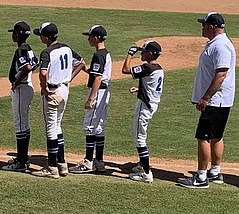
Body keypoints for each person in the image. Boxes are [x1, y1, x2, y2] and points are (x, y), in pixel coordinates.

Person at [178, 12, 237, 189]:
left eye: (204, 25)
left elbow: (221, 74)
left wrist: (205, 97)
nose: (202, 27)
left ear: (212, 27)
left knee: (203, 137)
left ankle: (201, 176)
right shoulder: (217, 43)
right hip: (220, 100)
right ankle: (215, 172)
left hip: (215, 101)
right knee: (216, 136)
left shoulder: (221, 46)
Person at [33, 22, 83, 179]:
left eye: (41, 35)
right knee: (57, 127)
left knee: (50, 129)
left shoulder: (46, 52)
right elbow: (81, 63)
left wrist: (44, 87)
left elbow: (42, 73)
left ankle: (52, 168)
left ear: (46, 37)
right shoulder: (66, 48)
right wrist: (68, 79)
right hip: (64, 90)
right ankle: (62, 164)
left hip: (53, 92)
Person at [70, 24, 112, 175]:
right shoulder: (105, 54)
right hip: (104, 92)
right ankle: (99, 162)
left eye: (89, 36)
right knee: (99, 127)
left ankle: (88, 162)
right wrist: (86, 69)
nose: (88, 38)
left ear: (96, 38)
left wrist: (91, 98)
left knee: (89, 126)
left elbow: (98, 78)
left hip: (98, 92)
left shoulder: (98, 55)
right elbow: (97, 73)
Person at [122, 40, 164, 182]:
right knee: (137, 135)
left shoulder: (147, 68)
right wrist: (139, 89)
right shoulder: (158, 68)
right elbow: (152, 87)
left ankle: (146, 173)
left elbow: (126, 70)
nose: (141, 54)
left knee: (139, 138)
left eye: (143, 51)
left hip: (144, 106)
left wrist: (129, 55)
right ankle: (142, 165)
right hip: (151, 104)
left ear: (150, 54)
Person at [2, 21, 37, 172]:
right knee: (24, 123)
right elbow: (35, 63)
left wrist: (16, 82)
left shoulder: (20, 50)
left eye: (13, 33)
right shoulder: (28, 48)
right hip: (27, 87)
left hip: (22, 89)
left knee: (20, 124)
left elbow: (28, 67)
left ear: (17, 35)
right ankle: (23, 157)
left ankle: (21, 162)